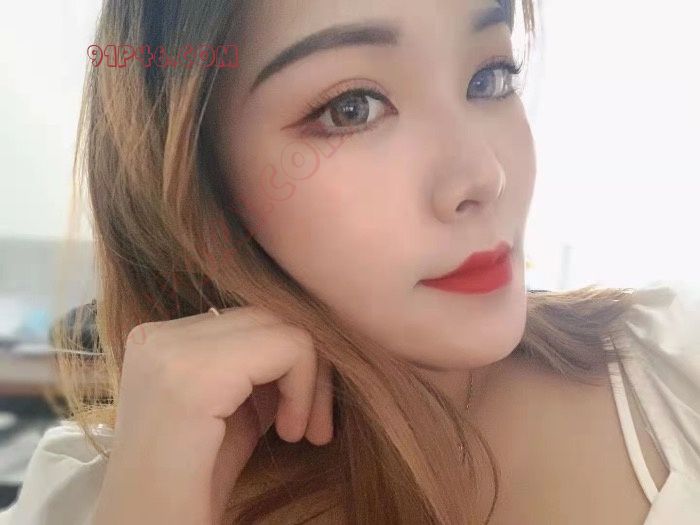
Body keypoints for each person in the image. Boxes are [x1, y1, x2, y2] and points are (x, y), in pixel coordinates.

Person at [1, 0, 699, 523]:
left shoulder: (676, 366)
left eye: (489, 77)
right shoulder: (100, 498)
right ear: (197, 180)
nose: (482, 176)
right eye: (352, 109)